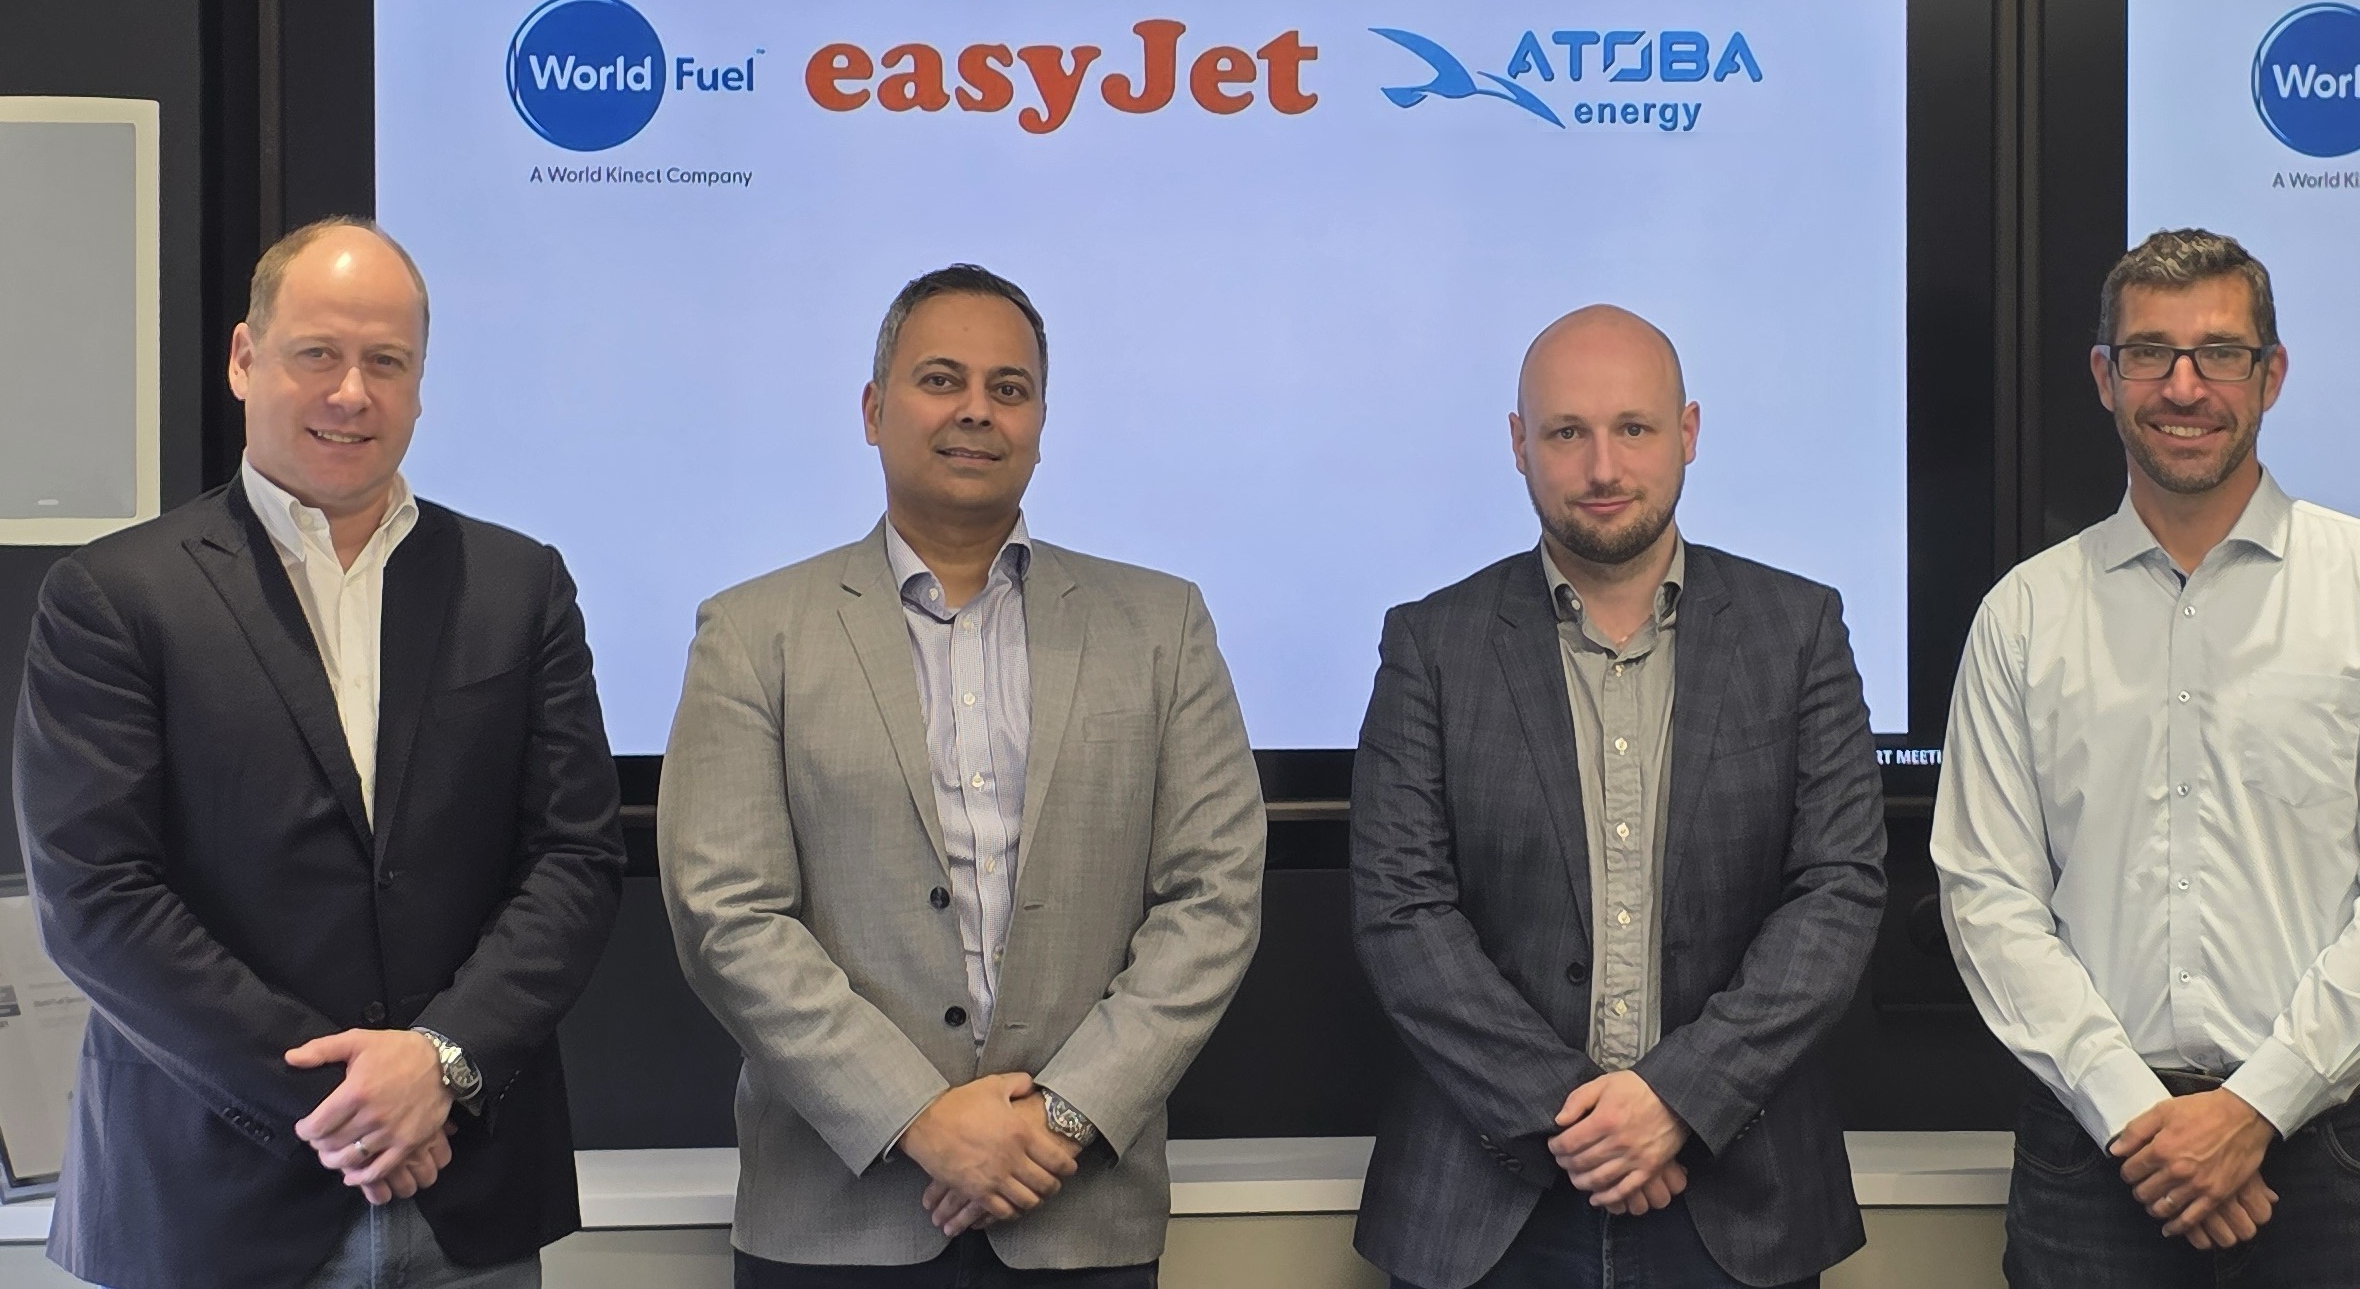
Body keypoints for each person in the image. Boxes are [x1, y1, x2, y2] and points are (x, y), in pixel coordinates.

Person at [13, 217, 627, 1288]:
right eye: (318, 354)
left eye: (386, 361)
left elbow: (574, 858)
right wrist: (348, 1105)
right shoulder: (113, 598)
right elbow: (98, 898)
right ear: (244, 359)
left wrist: (440, 1064)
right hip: (208, 1200)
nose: (352, 392)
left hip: (469, 1194)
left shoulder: (518, 585)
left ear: (421, 384)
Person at [658, 263, 1265, 1286]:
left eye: (1008, 388)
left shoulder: (1162, 627)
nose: (976, 410)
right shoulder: (752, 633)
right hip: (834, 1222)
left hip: (1078, 1210)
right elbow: (726, 915)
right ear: (873, 410)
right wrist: (918, 1118)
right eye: (941, 380)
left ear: (1040, 422)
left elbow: (1214, 898)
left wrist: (1057, 1120)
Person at [1932, 228, 2360, 1287]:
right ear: (2104, 376)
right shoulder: (2022, 617)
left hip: (2348, 1159)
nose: (2184, 387)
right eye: (2150, 352)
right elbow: (1986, 900)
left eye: (2220, 352)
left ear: (2270, 374)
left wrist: (2251, 1108)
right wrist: (2139, 1115)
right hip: (2099, 1159)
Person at [1349, 304, 1887, 1289]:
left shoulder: (1798, 629)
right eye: (1567, 432)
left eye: (1632, 428)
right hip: (1484, 1205)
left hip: (1739, 1198)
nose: (1602, 466)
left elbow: (1837, 892)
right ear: (1519, 444)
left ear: (1686, 432)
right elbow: (1401, 912)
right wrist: (1582, 1122)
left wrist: (1677, 1100)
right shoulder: (1431, 642)